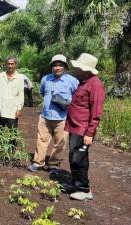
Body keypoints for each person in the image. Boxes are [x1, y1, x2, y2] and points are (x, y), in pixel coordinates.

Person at [28, 54, 79, 173]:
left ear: (65, 67)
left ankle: (54, 165)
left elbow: (77, 97)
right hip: (45, 116)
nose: (57, 68)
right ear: (52, 67)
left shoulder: (72, 81)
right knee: (41, 140)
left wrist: (67, 103)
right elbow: (42, 92)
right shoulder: (46, 79)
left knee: (60, 143)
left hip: (62, 118)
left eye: (60, 65)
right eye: (55, 65)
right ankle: (38, 162)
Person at [66, 53, 105, 200]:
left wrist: (90, 133)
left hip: (83, 130)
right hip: (75, 127)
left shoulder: (95, 85)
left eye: (78, 68)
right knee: (73, 156)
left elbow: (96, 112)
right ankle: (76, 184)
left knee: (79, 158)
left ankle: (84, 189)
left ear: (86, 70)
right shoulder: (83, 82)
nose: (76, 70)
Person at [0, 57, 24, 130]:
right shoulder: (1, 76)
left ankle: (12, 142)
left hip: (12, 110)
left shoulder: (19, 78)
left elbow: (21, 95)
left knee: (12, 134)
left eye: (12, 64)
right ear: (6, 65)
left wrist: (19, 109)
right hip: (0, 109)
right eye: (8, 64)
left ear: (15, 65)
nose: (10, 66)